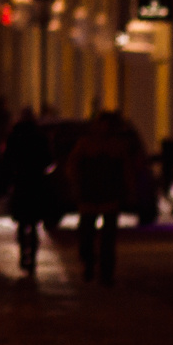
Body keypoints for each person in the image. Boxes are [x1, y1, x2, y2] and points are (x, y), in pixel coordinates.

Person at [65, 109, 147, 287]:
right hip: (89, 197)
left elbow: (126, 171)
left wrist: (130, 191)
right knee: (86, 236)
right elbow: (73, 165)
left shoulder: (117, 146)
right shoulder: (85, 144)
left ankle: (106, 272)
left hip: (109, 198)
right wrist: (76, 183)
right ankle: (89, 263)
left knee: (108, 239)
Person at [0, 106, 54, 276]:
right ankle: (32, 259)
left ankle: (23, 255)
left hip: (20, 185)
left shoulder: (14, 137)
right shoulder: (40, 137)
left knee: (22, 223)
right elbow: (49, 160)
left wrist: (3, 186)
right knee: (34, 225)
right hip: (35, 185)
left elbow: (5, 163)